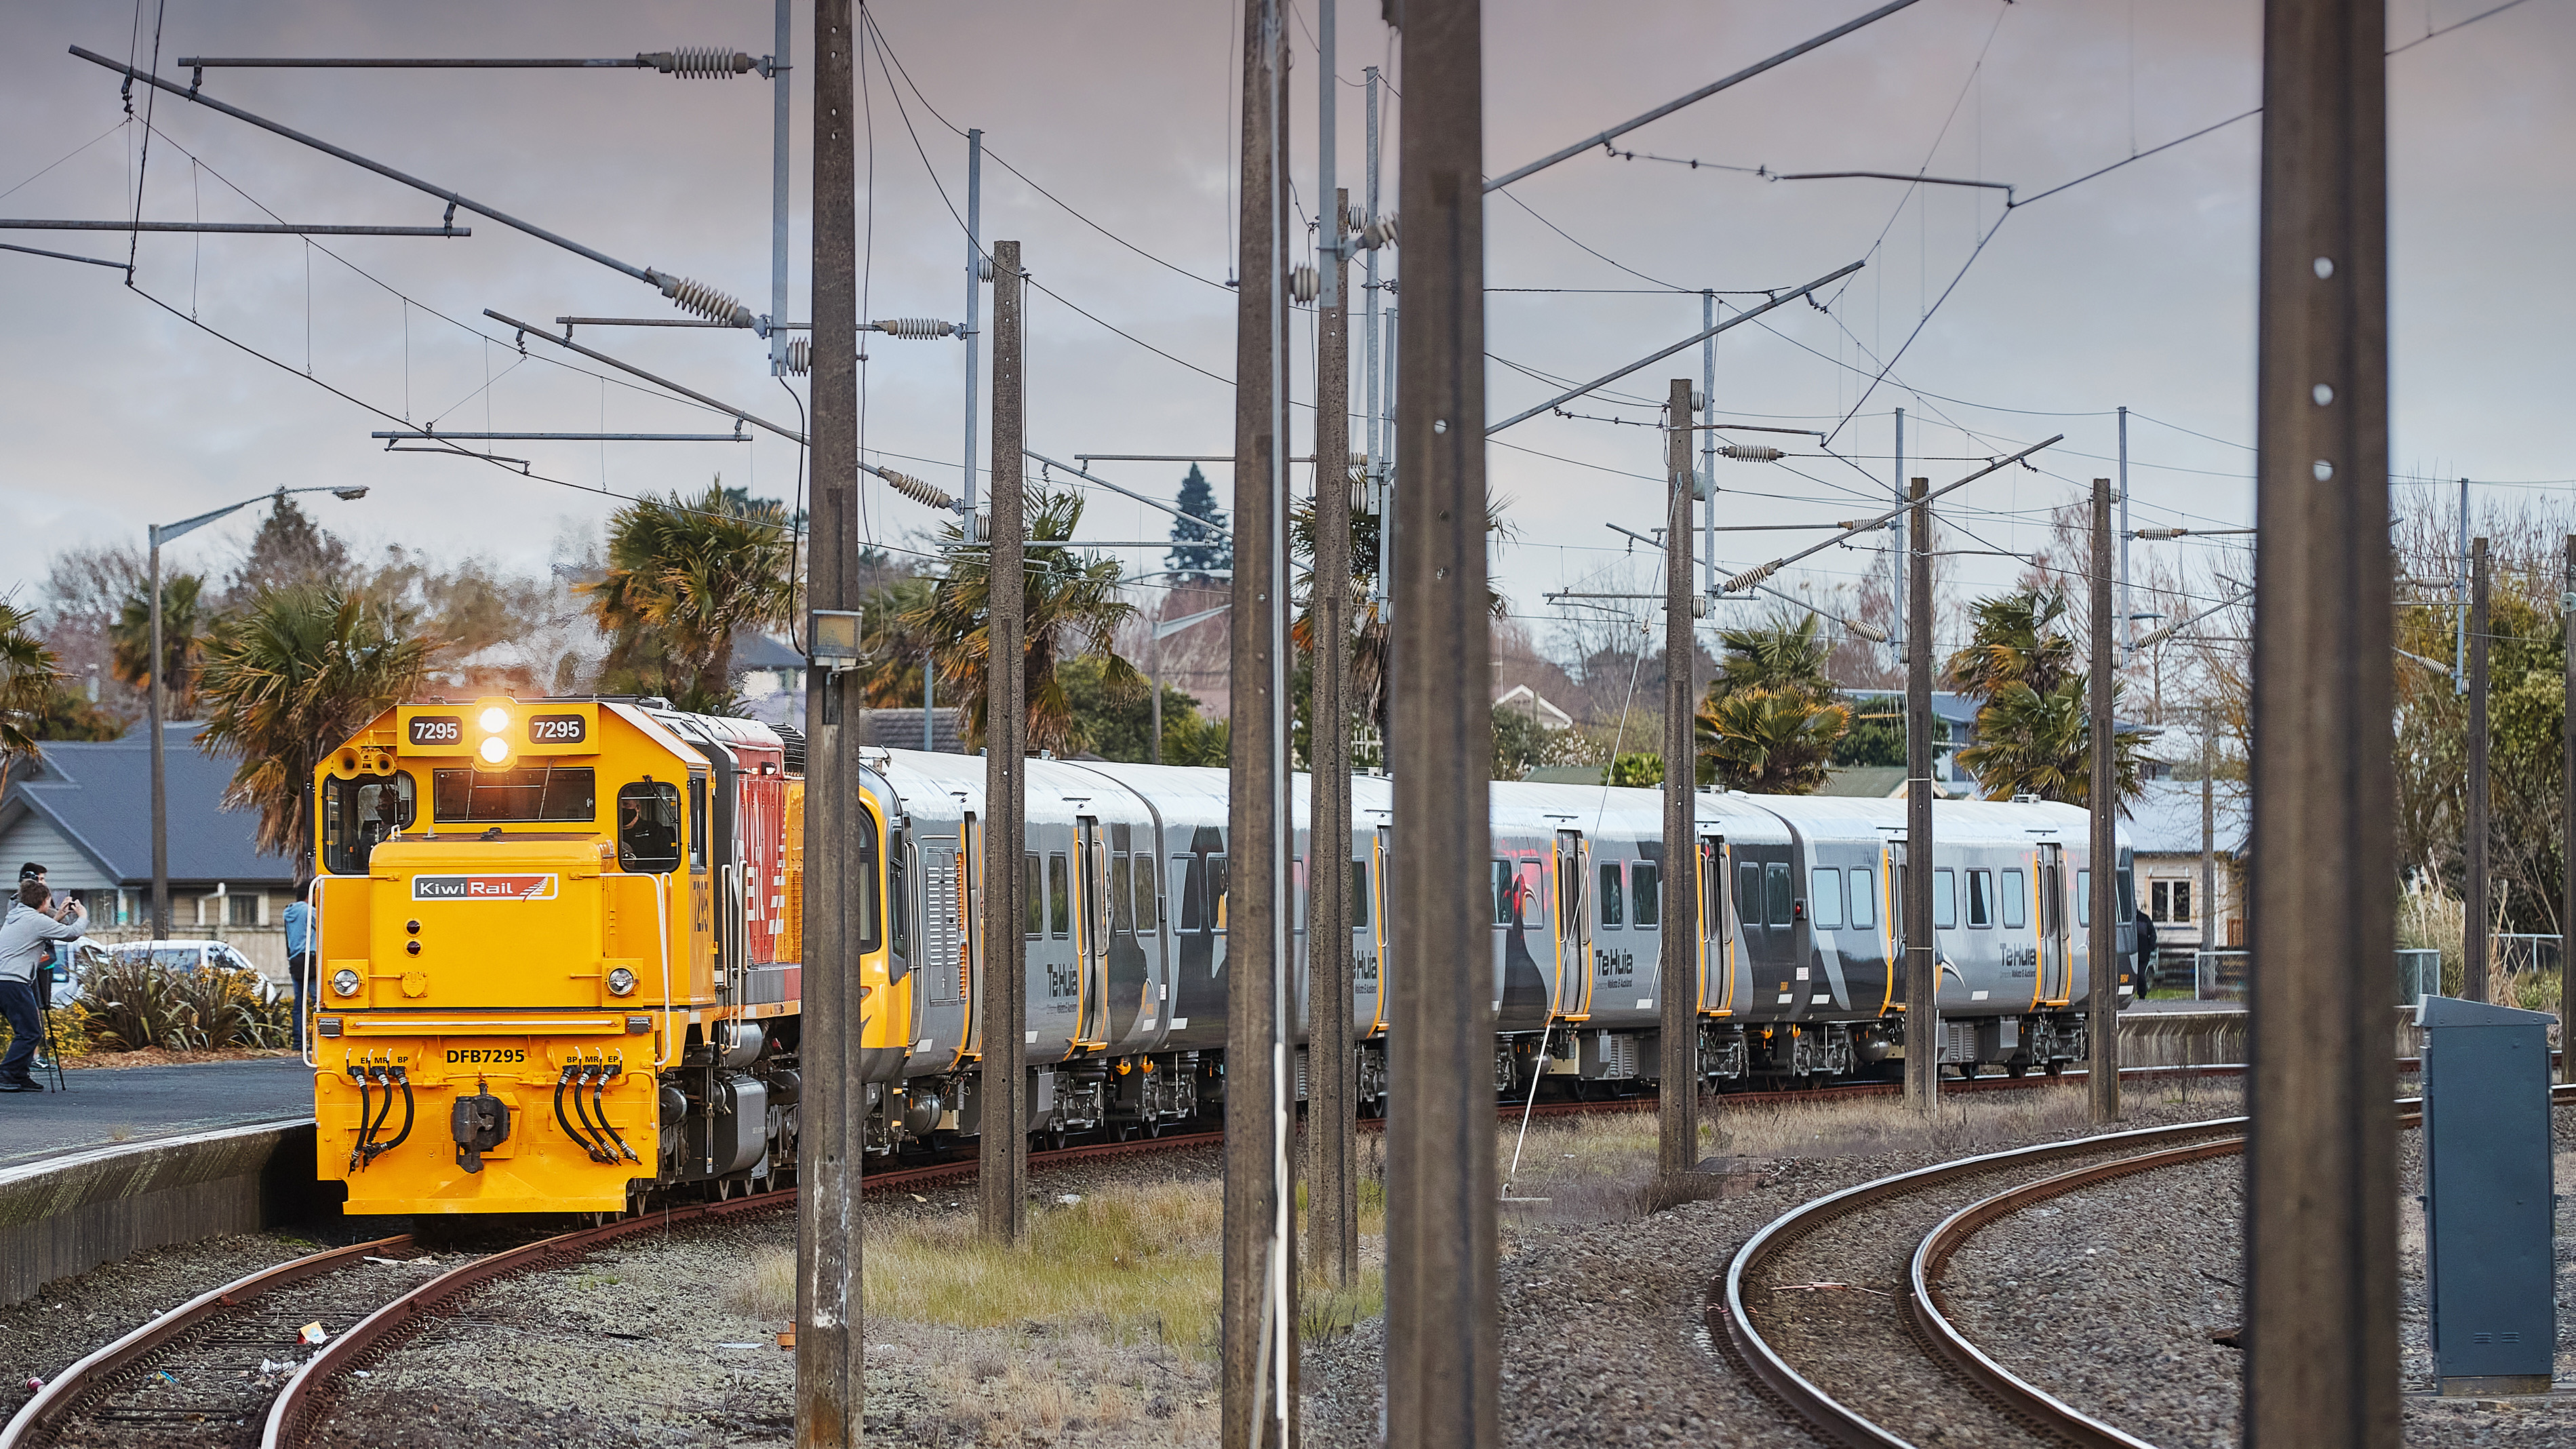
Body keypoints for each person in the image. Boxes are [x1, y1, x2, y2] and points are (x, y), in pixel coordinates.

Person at [1, 879, 83, 1092]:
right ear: (44, 902)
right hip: (13, 981)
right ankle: (7, 1074)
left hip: (6, 980)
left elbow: (38, 932)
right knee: (30, 1032)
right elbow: (71, 934)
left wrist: (58, 918)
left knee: (26, 1030)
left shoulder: (16, 918)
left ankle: (19, 1074)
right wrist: (83, 916)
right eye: (49, 900)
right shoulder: (36, 921)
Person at [282, 877, 314, 1051]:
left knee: (299, 1003)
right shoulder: (309, 912)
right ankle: (316, 1042)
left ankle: (298, 1042)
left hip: (296, 960)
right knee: (317, 1002)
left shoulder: (288, 912)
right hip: (311, 958)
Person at [2133, 906, 2160, 997]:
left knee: (2140, 975)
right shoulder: (2144, 920)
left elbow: (2153, 935)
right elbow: (2153, 935)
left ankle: (2141, 994)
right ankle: (2139, 994)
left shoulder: (2143, 920)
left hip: (2142, 954)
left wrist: (2149, 948)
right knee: (2140, 975)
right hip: (2142, 953)